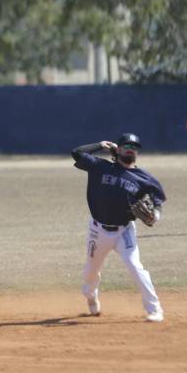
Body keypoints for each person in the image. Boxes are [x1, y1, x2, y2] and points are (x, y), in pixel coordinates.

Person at [71, 133, 166, 323]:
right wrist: (100, 145)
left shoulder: (143, 178)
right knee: (89, 273)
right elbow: (77, 153)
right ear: (118, 149)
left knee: (135, 267)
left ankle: (155, 310)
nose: (131, 149)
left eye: (134, 147)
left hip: (124, 231)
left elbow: (158, 199)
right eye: (127, 146)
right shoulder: (100, 167)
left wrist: (156, 214)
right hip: (98, 231)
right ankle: (91, 296)